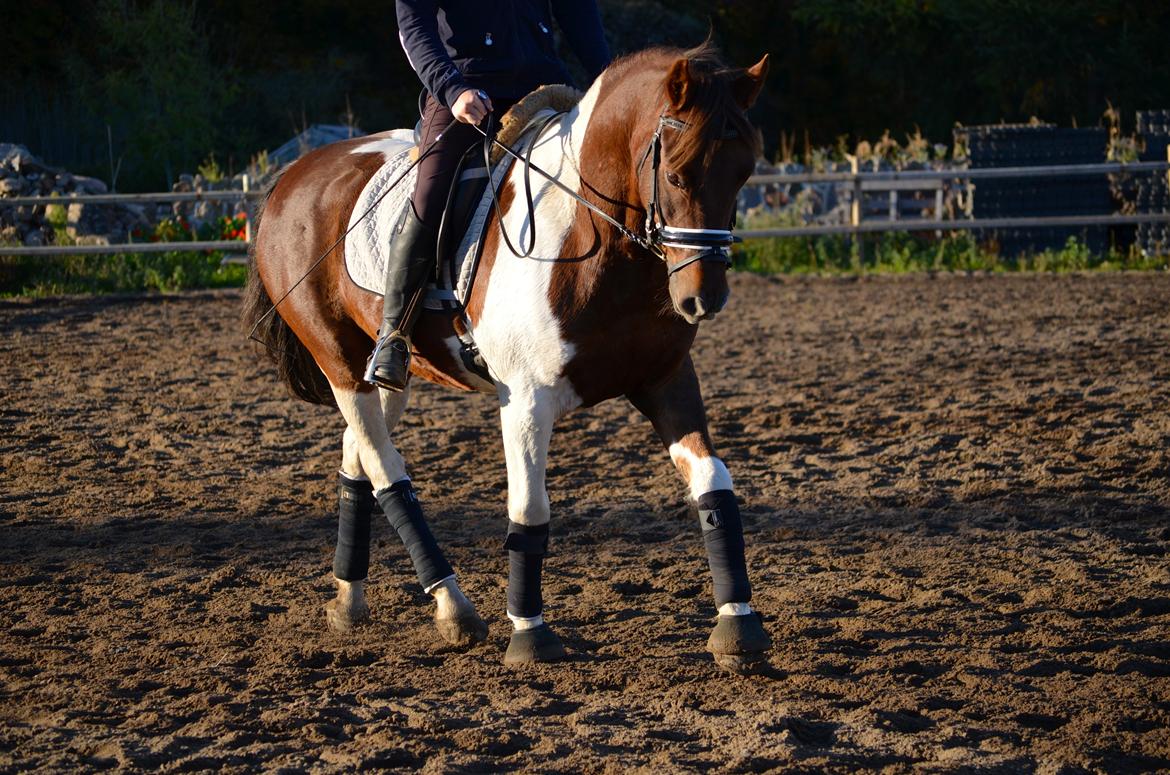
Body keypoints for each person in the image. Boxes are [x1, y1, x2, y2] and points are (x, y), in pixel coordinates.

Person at [367, 0, 612, 391]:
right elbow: (414, 27)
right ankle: (393, 336)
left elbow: (579, 16)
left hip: (545, 86)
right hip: (468, 92)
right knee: (431, 195)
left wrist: (611, 80)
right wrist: (451, 89)